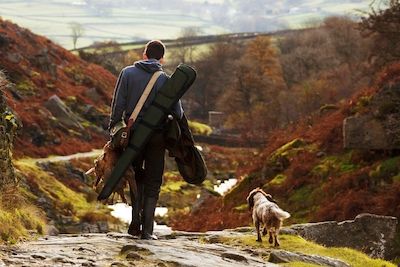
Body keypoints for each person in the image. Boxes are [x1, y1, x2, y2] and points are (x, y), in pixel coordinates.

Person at [108, 40, 183, 240]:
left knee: (135, 177)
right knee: (153, 180)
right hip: (156, 136)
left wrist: (114, 130)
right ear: (162, 58)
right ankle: (148, 230)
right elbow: (178, 111)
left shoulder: (127, 73)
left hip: (133, 135)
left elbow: (118, 105)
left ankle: (134, 224)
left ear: (144, 55)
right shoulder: (165, 80)